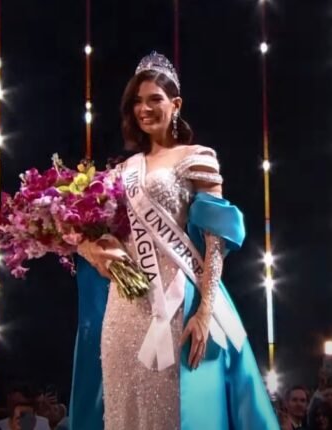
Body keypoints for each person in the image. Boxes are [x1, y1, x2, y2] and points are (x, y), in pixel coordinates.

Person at [70, 51, 279, 430]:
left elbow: (216, 240)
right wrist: (93, 249)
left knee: (178, 406)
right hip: (126, 307)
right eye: (137, 101)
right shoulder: (121, 171)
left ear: (176, 104)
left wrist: (205, 311)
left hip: (179, 298)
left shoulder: (197, 158)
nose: (144, 109)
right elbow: (97, 231)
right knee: (125, 407)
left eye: (155, 99)